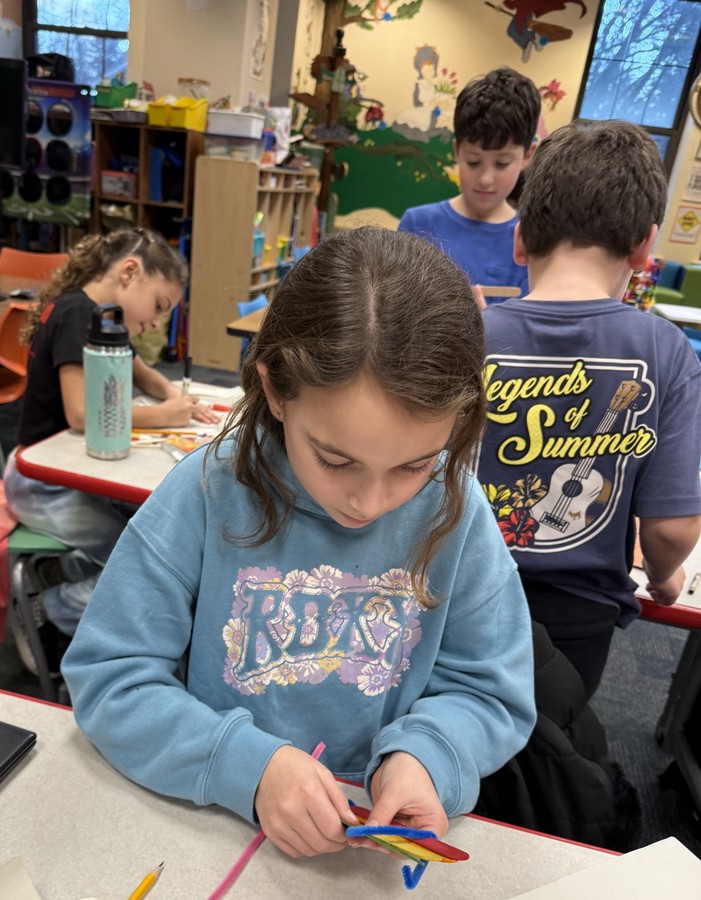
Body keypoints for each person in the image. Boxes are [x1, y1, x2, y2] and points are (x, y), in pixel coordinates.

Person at [62, 227, 536, 860]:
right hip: (214, 832)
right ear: (276, 390)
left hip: (367, 854)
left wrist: (429, 756)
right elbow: (109, 677)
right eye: (336, 461)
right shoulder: (208, 490)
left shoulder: (457, 509)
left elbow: (490, 691)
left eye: (413, 465)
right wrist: (248, 769)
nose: (368, 503)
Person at [477, 119, 701, 698]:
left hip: (459, 596)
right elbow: (671, 529)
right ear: (645, 246)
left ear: (520, 239)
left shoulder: (467, 334)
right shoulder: (666, 351)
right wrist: (663, 577)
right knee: (554, 765)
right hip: (579, 619)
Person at [4, 227, 220, 670]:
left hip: (68, 474)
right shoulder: (75, 314)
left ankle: (69, 584)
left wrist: (178, 399)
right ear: (129, 271)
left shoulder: (105, 319)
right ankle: (53, 609)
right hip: (42, 482)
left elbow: (142, 373)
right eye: (159, 306)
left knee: (145, 536)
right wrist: (164, 416)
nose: (159, 322)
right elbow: (82, 414)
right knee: (135, 560)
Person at [398, 66, 540, 301]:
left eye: (502, 163)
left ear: (527, 155)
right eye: (473, 162)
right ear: (456, 151)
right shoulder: (417, 224)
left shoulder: (531, 239)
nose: (485, 178)